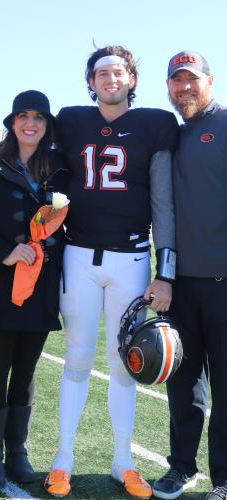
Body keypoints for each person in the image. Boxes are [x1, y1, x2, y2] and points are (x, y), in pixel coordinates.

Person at [44, 45, 179, 499]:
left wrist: (167, 266)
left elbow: (161, 200)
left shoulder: (155, 124)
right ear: (91, 81)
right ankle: (63, 459)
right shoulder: (71, 118)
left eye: (118, 71)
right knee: (77, 357)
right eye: (101, 72)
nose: (110, 79)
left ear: (132, 79)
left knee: (125, 365)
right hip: (79, 255)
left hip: (132, 258)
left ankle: (123, 460)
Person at [0, 90, 67, 489]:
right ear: (11, 121)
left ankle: (17, 450)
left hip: (41, 283)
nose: (30, 123)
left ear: (47, 124)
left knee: (26, 368)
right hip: (1, 281)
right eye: (23, 115)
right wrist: (4, 251)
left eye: (38, 117)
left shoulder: (58, 166)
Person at [152, 52, 227, 500]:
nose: (184, 88)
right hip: (181, 284)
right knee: (184, 387)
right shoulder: (174, 136)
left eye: (192, 80)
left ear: (210, 81)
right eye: (176, 81)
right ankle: (181, 466)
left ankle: (225, 477)